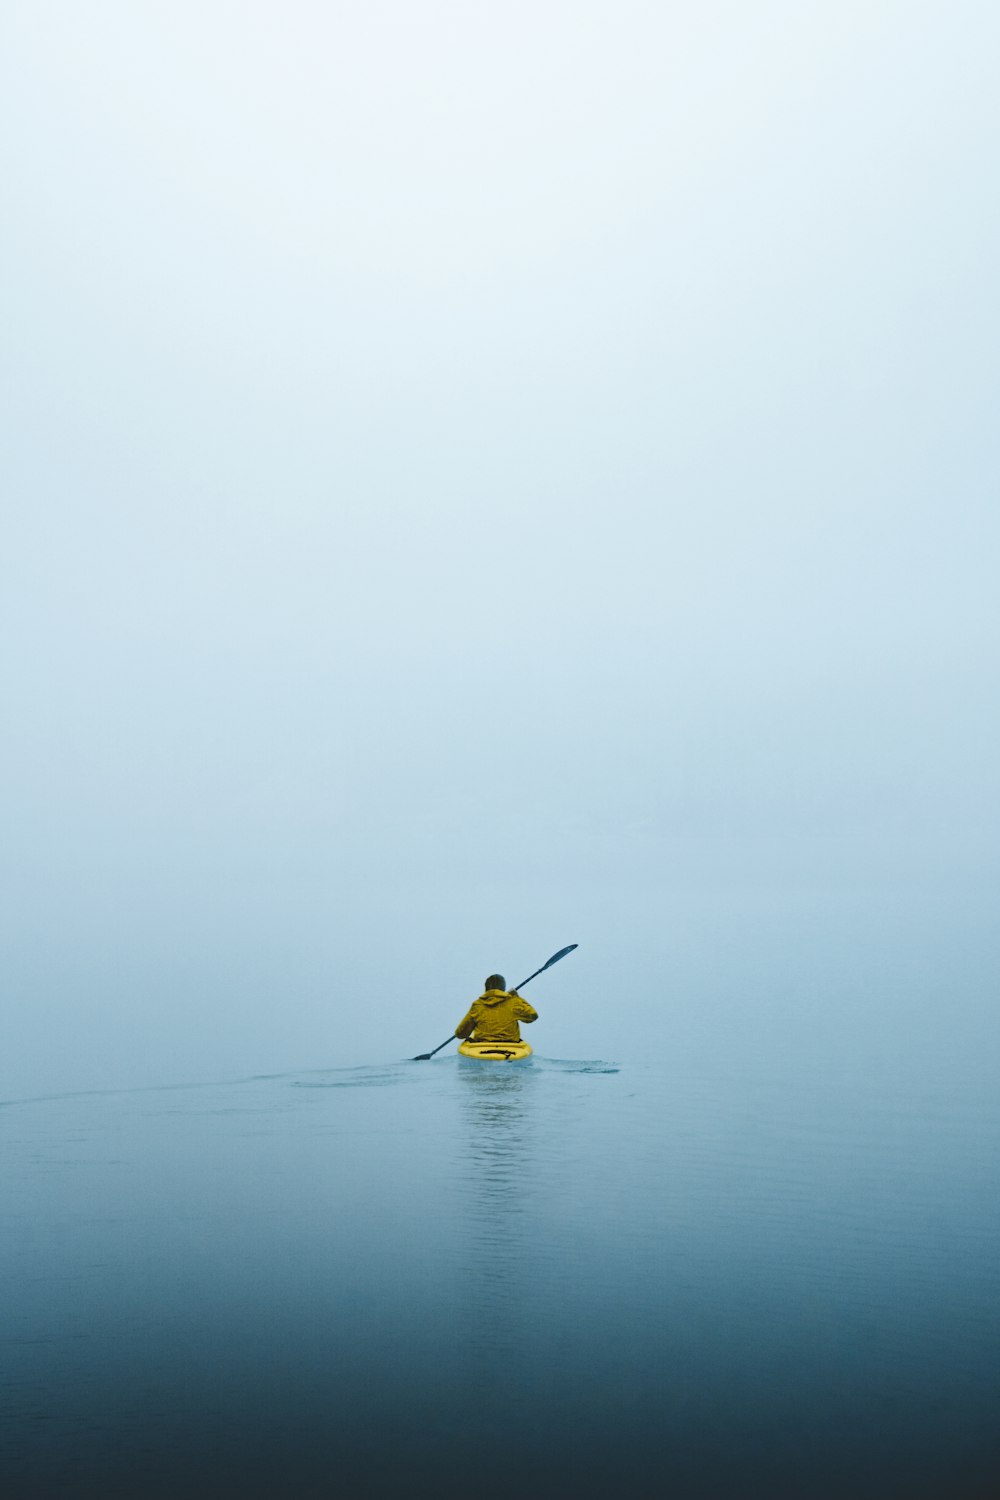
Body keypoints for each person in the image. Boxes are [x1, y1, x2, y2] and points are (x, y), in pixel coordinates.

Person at [455, 974, 538, 1044]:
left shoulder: (477, 1005)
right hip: (511, 1047)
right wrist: (517, 997)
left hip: (482, 1048)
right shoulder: (514, 1002)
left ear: (486, 988)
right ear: (503, 989)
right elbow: (533, 1016)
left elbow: (461, 1034)